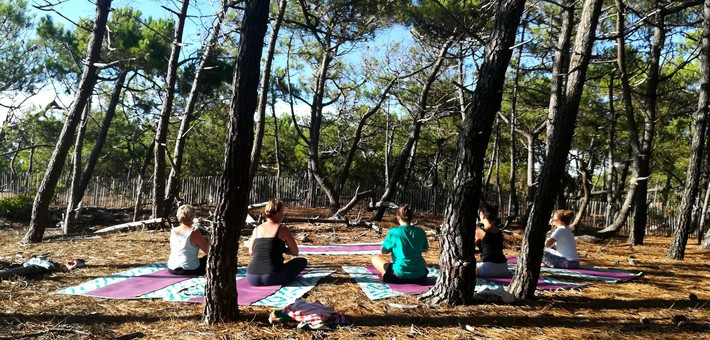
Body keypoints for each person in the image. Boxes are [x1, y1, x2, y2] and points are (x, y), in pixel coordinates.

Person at [246, 200, 307, 286]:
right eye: (282, 212)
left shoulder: (256, 229)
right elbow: (295, 252)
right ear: (277, 213)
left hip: (252, 277)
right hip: (273, 276)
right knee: (301, 261)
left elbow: (251, 252)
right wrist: (282, 249)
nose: (283, 215)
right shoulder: (282, 229)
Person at [371, 205, 429, 284]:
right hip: (421, 278)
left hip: (398, 277)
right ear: (412, 217)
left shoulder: (393, 232)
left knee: (375, 258)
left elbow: (384, 251)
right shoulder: (420, 231)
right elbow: (425, 249)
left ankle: (385, 274)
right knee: (422, 260)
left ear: (398, 217)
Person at [167, 204, 209, 276]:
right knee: (208, 258)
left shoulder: (173, 231)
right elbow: (208, 251)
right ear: (192, 216)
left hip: (172, 267)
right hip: (189, 269)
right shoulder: (194, 232)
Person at [475, 203, 509, 278]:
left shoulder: (480, 231)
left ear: (482, 214)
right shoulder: (499, 231)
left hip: (487, 268)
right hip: (503, 268)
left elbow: (468, 248)